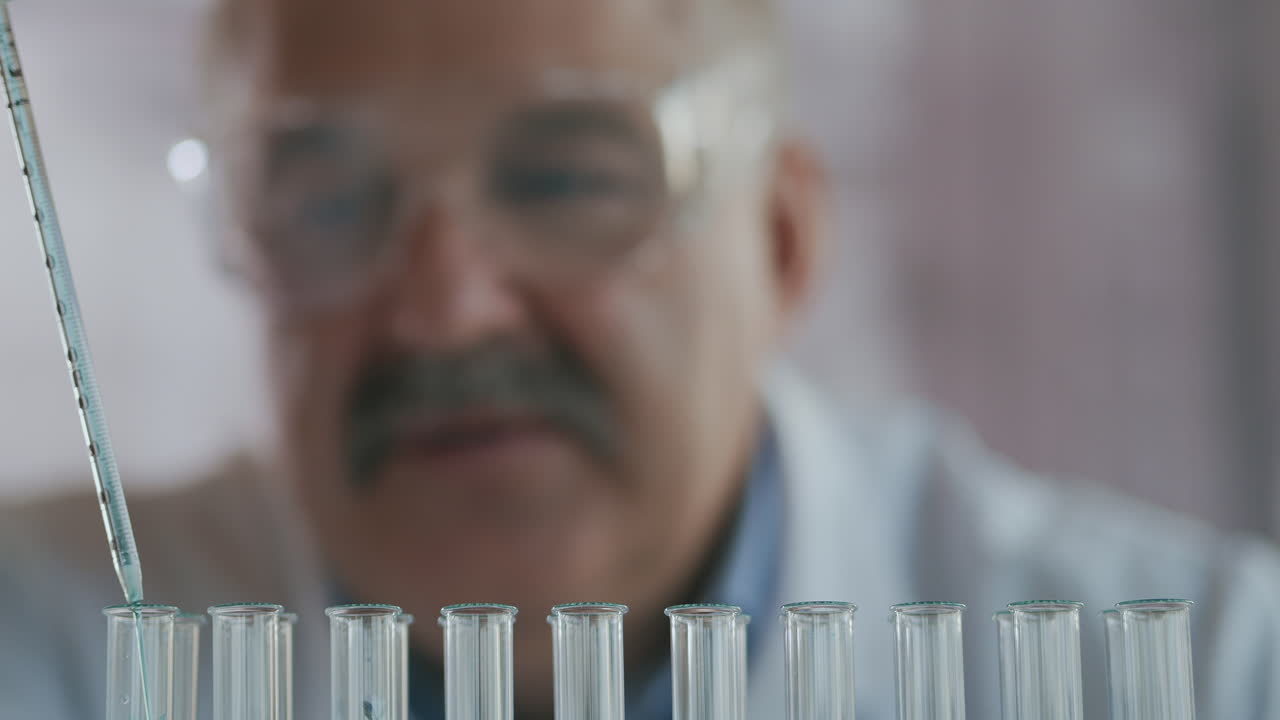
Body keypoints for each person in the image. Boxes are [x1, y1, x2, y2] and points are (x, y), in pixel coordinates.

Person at [2, 0, 1278, 717]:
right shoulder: (44, 644)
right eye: (327, 200)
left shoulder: (1199, 674)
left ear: (779, 240)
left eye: (564, 179)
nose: (446, 311)